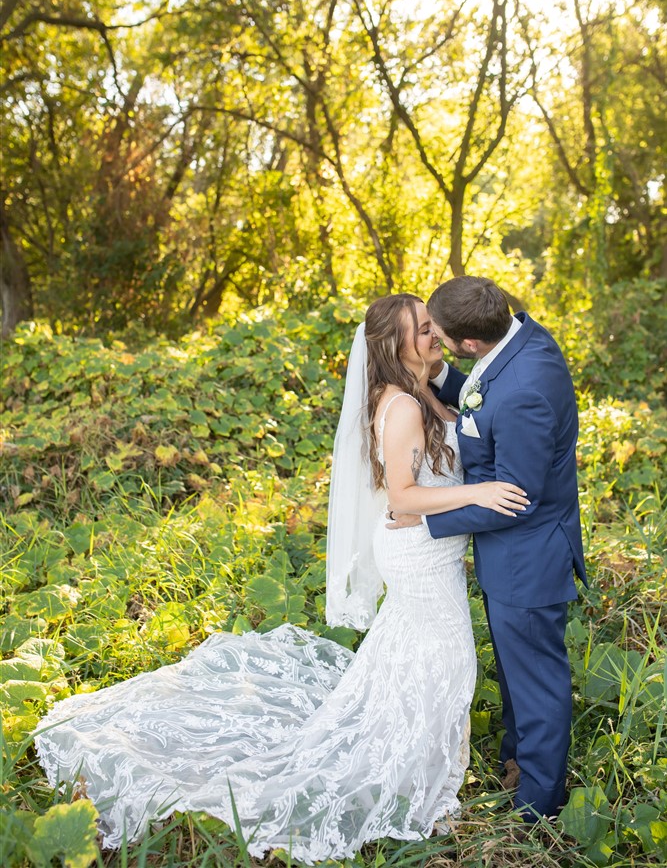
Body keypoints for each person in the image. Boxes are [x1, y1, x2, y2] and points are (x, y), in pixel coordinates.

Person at [34, 293, 529, 864]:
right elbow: (402, 497)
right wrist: (480, 492)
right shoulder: (405, 408)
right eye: (421, 330)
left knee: (419, 654)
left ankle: (415, 752)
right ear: (393, 347)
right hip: (418, 551)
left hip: (429, 553)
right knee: (445, 655)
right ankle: (409, 770)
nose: (434, 335)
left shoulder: (424, 390)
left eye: (432, 326)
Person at [389, 276, 587, 822]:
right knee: (517, 669)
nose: (434, 339)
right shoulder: (519, 335)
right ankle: (517, 758)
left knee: (537, 681)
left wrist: (424, 519)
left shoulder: (524, 391)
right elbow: (481, 395)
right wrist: (436, 379)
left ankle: (536, 807)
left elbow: (517, 498)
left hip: (528, 560)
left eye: (440, 334)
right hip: (512, 559)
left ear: (471, 342)